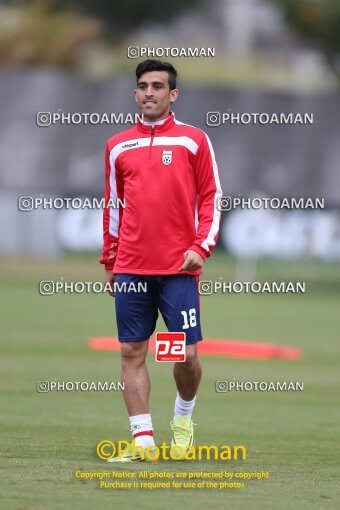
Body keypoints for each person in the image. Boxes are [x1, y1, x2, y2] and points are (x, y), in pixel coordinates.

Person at [100, 59, 222, 461]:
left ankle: (183, 418)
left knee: (182, 355)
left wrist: (200, 247)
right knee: (132, 352)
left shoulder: (193, 140)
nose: (149, 92)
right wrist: (111, 260)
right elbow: (113, 206)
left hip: (177, 270)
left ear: (173, 95)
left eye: (157, 86)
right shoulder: (118, 145)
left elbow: (212, 197)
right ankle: (143, 444)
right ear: (135, 93)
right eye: (142, 86)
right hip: (133, 267)